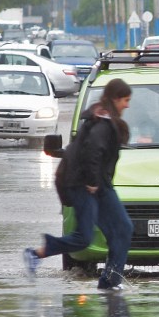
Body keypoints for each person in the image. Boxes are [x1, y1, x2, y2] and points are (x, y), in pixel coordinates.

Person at [24, 78, 134, 290]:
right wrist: (92, 182)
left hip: (98, 184)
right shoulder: (102, 123)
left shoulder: (103, 118)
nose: (127, 105)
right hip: (85, 185)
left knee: (122, 229)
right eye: (125, 100)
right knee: (84, 238)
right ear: (115, 99)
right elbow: (92, 151)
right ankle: (37, 253)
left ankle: (111, 280)